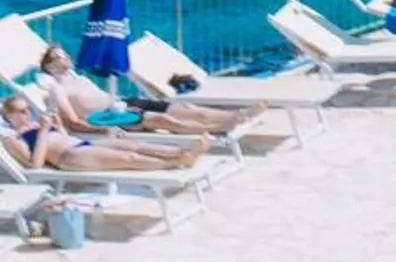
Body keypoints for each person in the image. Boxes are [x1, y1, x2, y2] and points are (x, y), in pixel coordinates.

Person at [37, 41, 261, 139]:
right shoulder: (57, 89)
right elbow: (73, 122)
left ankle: (237, 115)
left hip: (125, 104)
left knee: (183, 107)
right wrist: (105, 129)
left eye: (64, 54)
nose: (65, 58)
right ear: (49, 67)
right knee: (166, 121)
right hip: (112, 118)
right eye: (58, 57)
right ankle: (217, 128)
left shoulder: (79, 79)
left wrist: (125, 106)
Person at [2, 92, 208, 173]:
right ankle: (179, 161)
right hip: (70, 156)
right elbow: (35, 164)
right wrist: (45, 130)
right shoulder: (13, 138)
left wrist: (58, 126)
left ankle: (182, 152)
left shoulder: (36, 125)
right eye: (21, 111)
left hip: (80, 144)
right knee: (129, 158)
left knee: (135, 145)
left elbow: (62, 137)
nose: (27, 113)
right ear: (9, 115)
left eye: (27, 109)